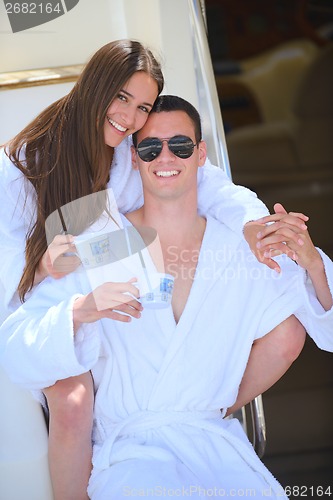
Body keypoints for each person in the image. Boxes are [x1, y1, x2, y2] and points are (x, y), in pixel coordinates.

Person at [0, 39, 303, 500]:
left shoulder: (129, 149)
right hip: (32, 302)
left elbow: (215, 188)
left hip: (93, 280)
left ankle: (198, 414)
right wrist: (47, 275)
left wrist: (250, 225)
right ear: (95, 87)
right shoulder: (19, 171)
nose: (129, 117)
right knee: (75, 401)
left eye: (142, 106)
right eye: (121, 98)